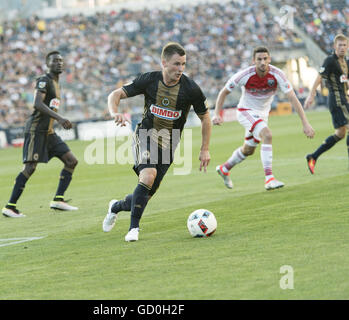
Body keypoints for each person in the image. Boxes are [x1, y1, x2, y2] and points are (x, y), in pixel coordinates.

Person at [102, 42, 212, 241]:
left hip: (169, 146)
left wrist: (205, 149)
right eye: (176, 64)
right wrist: (114, 112)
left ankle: (116, 206)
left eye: (183, 64)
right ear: (164, 62)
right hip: (144, 136)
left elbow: (205, 117)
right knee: (148, 175)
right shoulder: (150, 80)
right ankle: (133, 229)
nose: (180, 69)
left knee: (145, 195)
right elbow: (115, 94)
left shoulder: (190, 88)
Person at [212, 46, 315, 190]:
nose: (262, 62)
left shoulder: (277, 74)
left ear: (269, 59)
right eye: (259, 59)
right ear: (253, 61)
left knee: (248, 150)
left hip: (262, 116)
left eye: (265, 59)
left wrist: (305, 123)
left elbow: (293, 98)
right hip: (245, 112)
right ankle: (269, 179)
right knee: (267, 135)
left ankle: (225, 168)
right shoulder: (245, 75)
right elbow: (224, 92)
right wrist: (217, 114)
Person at [2, 51, 78, 218]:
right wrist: (59, 118)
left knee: (71, 161)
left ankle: (58, 199)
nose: (59, 63)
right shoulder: (44, 80)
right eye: (55, 61)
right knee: (30, 167)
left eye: (61, 60)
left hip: (49, 133)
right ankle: (10, 206)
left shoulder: (58, 84)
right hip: (36, 130)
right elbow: (37, 104)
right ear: (47, 64)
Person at [304, 34, 349, 174]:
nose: (342, 48)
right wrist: (311, 95)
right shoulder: (330, 60)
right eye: (340, 45)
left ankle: (313, 156)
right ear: (335, 46)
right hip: (336, 100)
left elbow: (345, 81)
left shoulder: (346, 61)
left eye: (344, 45)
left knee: (340, 133)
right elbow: (320, 77)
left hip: (343, 98)